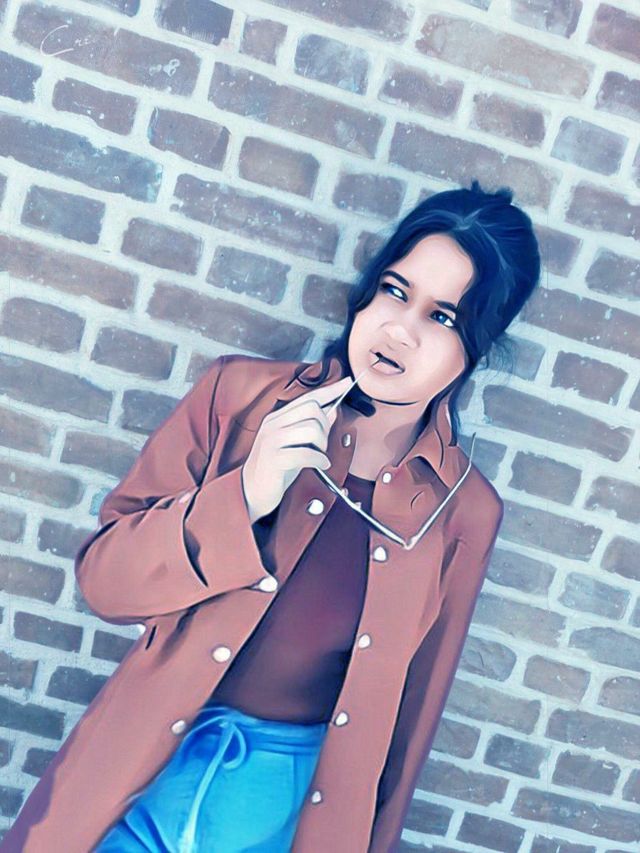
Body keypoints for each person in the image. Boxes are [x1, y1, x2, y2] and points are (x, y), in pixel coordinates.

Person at [3, 179, 541, 853]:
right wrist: (247, 494)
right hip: (135, 785)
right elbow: (105, 583)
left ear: (478, 347)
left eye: (443, 318)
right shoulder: (237, 398)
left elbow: (407, 731)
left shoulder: (464, 511)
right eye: (394, 291)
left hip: (286, 816)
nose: (399, 329)